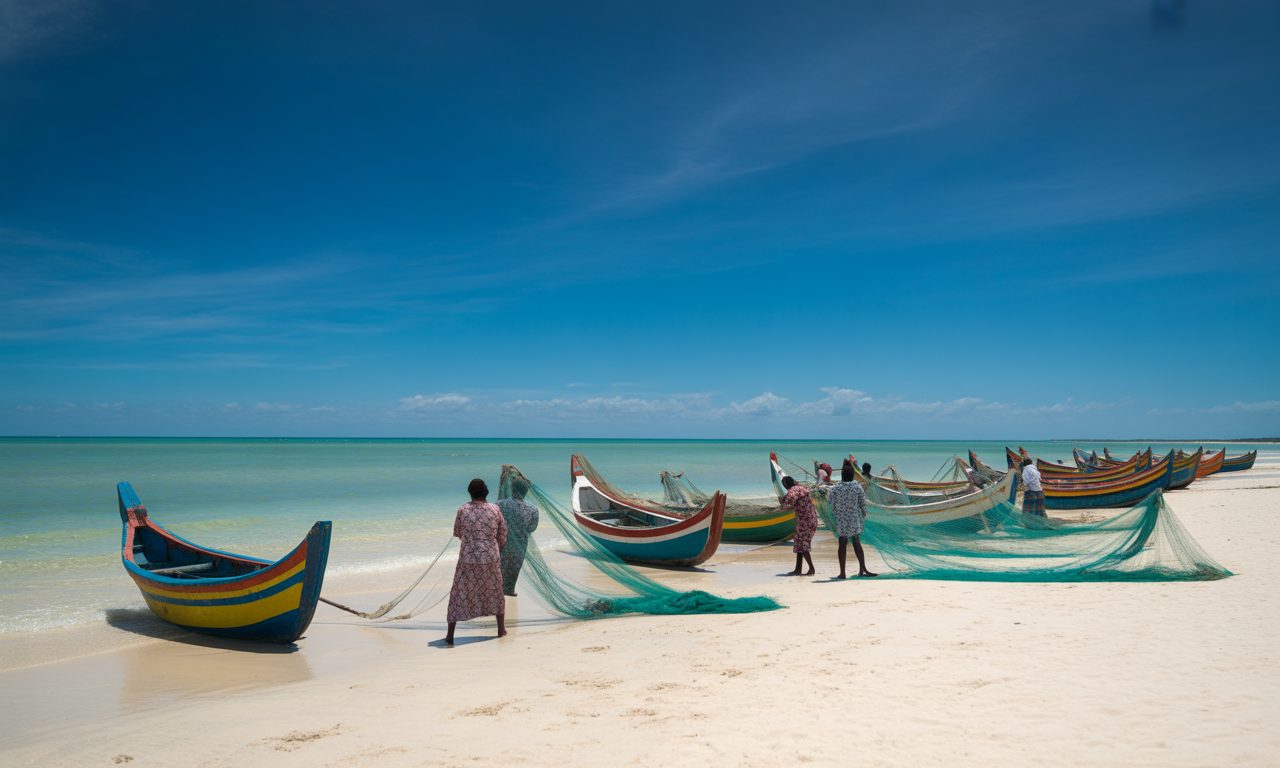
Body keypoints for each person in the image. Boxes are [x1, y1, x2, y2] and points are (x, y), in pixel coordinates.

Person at [444, 478, 508, 646]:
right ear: (485, 492)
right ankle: (500, 629)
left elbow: (457, 532)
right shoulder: (495, 509)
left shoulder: (462, 510)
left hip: (468, 558)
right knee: (495, 591)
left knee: (459, 593)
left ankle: (450, 635)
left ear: (470, 493)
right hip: (490, 558)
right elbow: (502, 535)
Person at [826, 460, 876, 578]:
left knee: (842, 543)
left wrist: (836, 511)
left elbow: (830, 502)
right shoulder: (857, 487)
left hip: (841, 519)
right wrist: (862, 514)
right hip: (854, 518)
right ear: (852, 475)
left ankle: (842, 573)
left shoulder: (835, 488)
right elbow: (862, 503)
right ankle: (862, 569)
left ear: (842, 476)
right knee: (856, 542)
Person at [497, 475, 539, 597]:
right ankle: (509, 590)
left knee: (499, 566)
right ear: (526, 491)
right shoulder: (532, 509)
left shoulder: (499, 504)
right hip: (520, 544)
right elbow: (532, 528)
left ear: (511, 488)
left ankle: (497, 591)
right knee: (514, 567)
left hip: (502, 542)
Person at [779, 476, 817, 576]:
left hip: (805, 521)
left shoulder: (793, 491)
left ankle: (811, 569)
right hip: (811, 519)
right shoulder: (801, 488)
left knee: (803, 545)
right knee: (799, 543)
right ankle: (798, 569)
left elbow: (786, 506)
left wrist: (781, 502)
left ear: (786, 485)